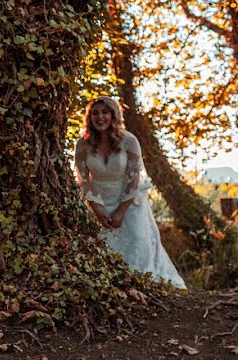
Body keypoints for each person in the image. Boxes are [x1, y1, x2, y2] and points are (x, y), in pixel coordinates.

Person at [74, 97, 186, 289]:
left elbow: (135, 177)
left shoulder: (129, 140)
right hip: (98, 202)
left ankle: (143, 287)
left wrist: (120, 210)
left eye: (105, 112)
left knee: (137, 242)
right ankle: (114, 289)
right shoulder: (83, 144)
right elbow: (83, 180)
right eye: (95, 113)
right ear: (89, 117)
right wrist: (97, 208)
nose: (100, 117)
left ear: (113, 115)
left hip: (129, 201)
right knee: (103, 248)